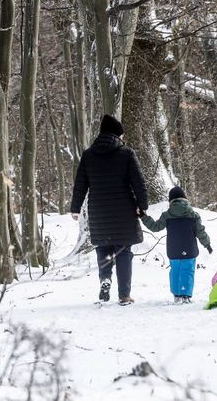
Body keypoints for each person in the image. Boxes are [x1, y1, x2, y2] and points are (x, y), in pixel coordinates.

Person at [70, 114, 148, 305]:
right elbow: (138, 182)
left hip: (99, 213)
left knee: (103, 248)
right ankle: (124, 295)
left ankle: (105, 279)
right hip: (124, 213)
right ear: (117, 134)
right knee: (123, 252)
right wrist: (142, 205)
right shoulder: (127, 153)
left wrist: (75, 207)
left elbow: (80, 184)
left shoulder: (88, 155)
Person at [140, 186, 212, 304]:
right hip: (189, 249)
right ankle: (186, 295)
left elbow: (155, 227)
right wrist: (207, 244)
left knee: (175, 271)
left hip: (174, 249)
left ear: (171, 201)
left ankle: (177, 295)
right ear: (185, 199)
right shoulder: (194, 215)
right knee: (188, 271)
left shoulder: (167, 215)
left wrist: (143, 216)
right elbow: (200, 232)